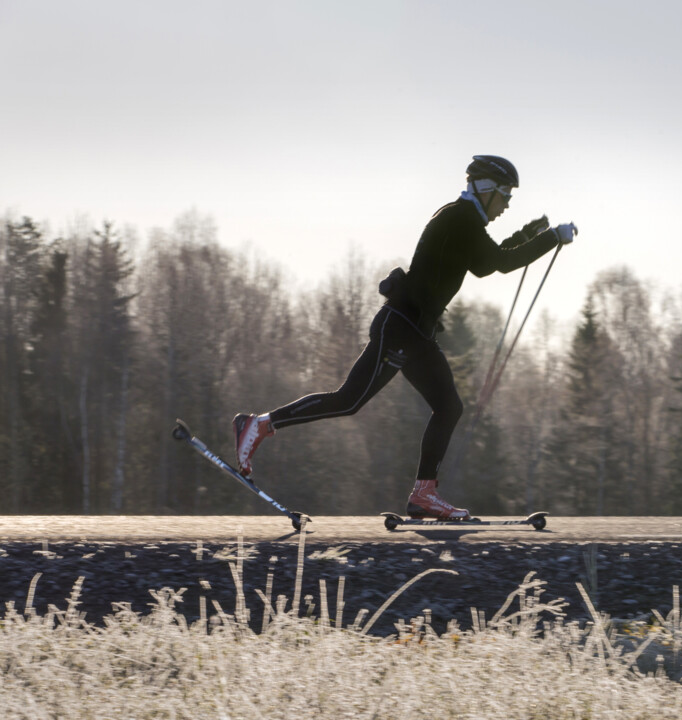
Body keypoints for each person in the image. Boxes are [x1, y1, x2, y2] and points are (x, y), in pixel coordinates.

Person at [231, 155, 576, 519]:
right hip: (400, 328)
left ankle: (424, 495)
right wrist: (551, 237)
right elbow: (497, 263)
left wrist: (530, 235)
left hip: (417, 333)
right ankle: (259, 424)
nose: (507, 204)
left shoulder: (466, 221)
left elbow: (484, 261)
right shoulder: (459, 218)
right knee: (348, 400)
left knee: (449, 407)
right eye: (505, 194)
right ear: (485, 188)